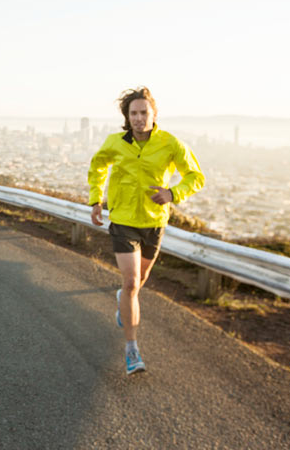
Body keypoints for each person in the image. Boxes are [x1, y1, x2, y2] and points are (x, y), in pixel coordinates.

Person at [87, 87, 204, 374]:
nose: (139, 118)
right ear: (127, 117)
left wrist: (173, 194)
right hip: (124, 220)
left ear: (153, 115)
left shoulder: (169, 143)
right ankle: (132, 350)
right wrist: (96, 199)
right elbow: (98, 167)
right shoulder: (115, 142)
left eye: (144, 113)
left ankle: (122, 303)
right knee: (130, 283)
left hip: (154, 222)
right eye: (134, 113)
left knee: (140, 282)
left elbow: (196, 175)